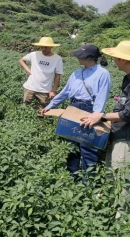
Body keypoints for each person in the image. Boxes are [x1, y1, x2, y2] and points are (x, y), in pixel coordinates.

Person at [81, 40, 130, 204]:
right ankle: (111, 219)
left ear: (123, 59)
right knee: (113, 180)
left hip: (129, 141)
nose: (113, 60)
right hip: (121, 137)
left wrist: (101, 116)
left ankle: (123, 225)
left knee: (124, 188)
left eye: (116, 57)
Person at [41, 45, 111, 180]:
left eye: (80, 55)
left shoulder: (102, 74)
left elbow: (101, 97)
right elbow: (65, 92)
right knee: (70, 146)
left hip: (89, 110)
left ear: (90, 58)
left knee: (88, 148)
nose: (77, 57)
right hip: (73, 107)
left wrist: (96, 115)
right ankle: (72, 178)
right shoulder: (77, 73)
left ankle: (88, 183)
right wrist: (50, 105)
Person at [19, 37, 64, 108]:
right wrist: (28, 71)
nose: (43, 49)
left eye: (46, 47)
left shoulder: (57, 59)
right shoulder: (34, 54)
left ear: (51, 47)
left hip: (45, 90)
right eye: (41, 47)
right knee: (26, 108)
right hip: (30, 88)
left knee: (43, 111)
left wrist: (53, 90)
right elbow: (22, 60)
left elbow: (57, 75)